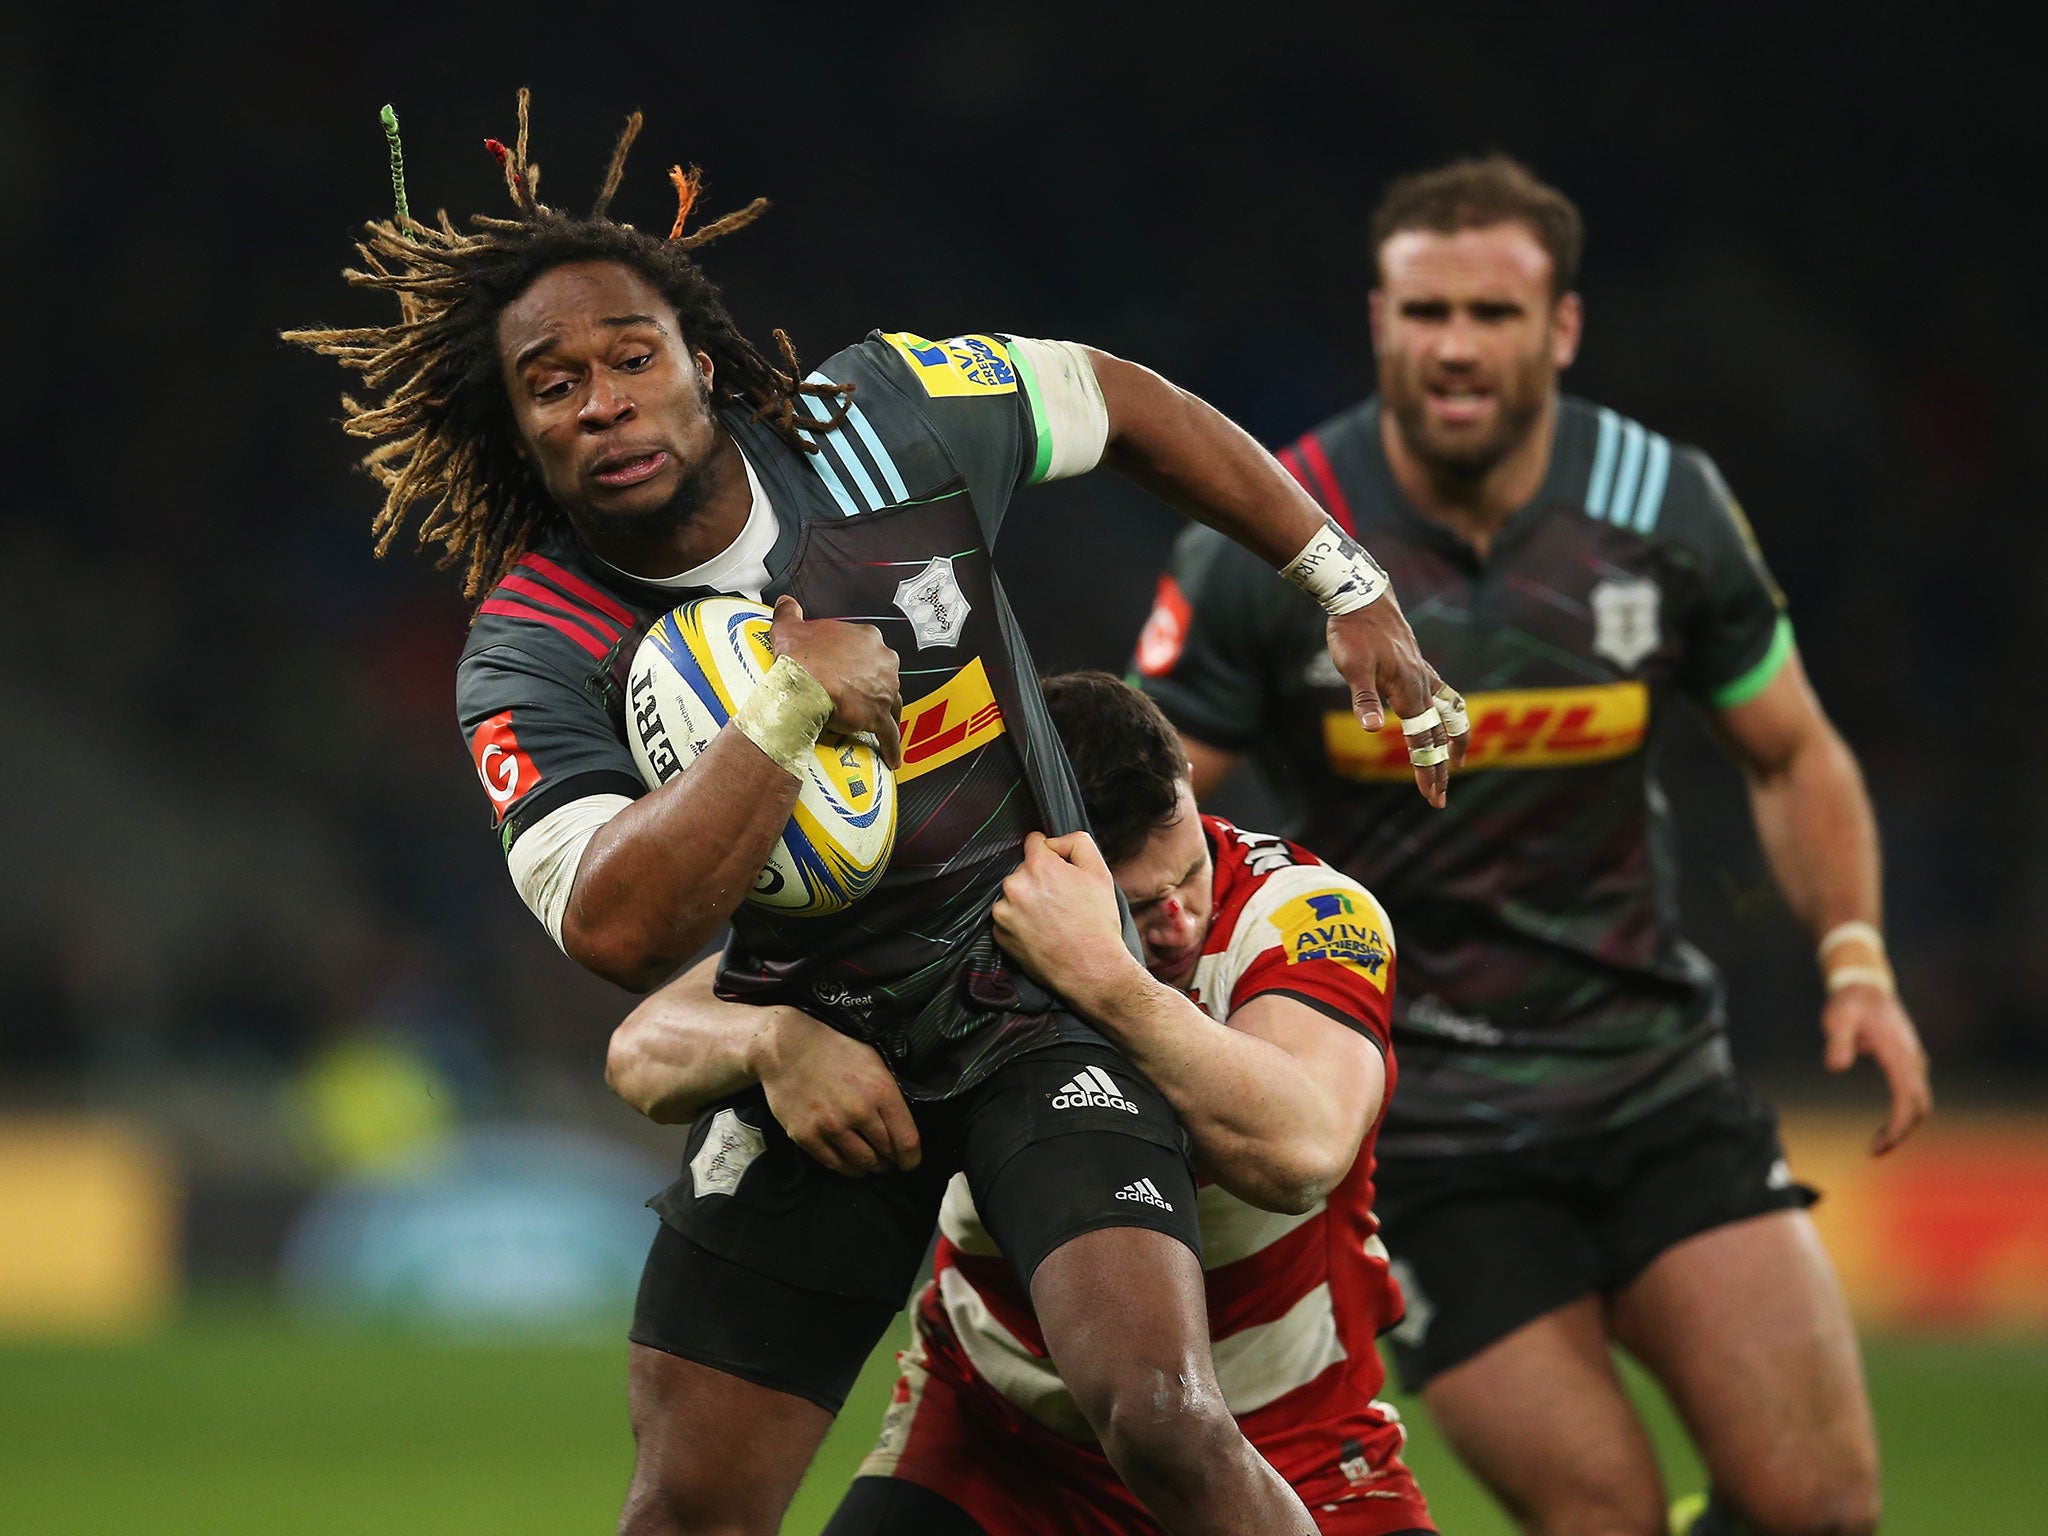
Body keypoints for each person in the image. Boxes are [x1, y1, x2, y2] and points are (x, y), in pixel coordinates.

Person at [286, 94, 1465, 1536]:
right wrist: (778, 721)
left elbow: (1122, 400)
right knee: (685, 1511)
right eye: (549, 385)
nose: (600, 403)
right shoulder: (531, 647)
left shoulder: (882, 424)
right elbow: (613, 926)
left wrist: (1343, 585)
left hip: (1040, 1010)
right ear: (517, 430)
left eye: (629, 358)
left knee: (1160, 1417)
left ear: (704, 363)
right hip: (823, 1054)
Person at [1130, 155, 1931, 1536]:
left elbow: (1793, 750)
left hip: (1656, 1084)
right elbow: (1141, 809)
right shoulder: (1274, 529)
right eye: (1423, 310)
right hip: (1430, 1138)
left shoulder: (1663, 507)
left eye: (1492, 315)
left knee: (1824, 1507)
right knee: (1604, 1516)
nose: (1454, 346)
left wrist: (1856, 961)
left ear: (1560, 327)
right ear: (1376, 318)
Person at [609, 671, 1436, 1536]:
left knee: (1175, 1428)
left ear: (1189, 791)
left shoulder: (1303, 914)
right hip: (993, 1441)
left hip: (1284, 1448)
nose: (1181, 925)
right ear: (1025, 859)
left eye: (1187, 876)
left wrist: (1108, 973)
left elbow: (1302, 1153)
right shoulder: (941, 912)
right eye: (1137, 905)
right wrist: (773, 1041)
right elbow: (641, 1048)